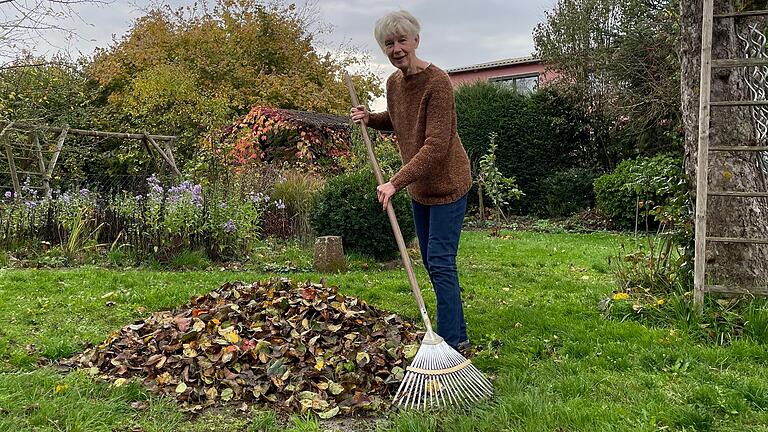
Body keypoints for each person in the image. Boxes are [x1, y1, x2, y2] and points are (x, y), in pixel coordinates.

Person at [350, 10, 473, 352]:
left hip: (448, 185)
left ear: (416, 40)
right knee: (435, 263)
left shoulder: (438, 83)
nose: (396, 48)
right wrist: (370, 118)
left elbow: (435, 146)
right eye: (389, 43)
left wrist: (394, 182)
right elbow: (399, 119)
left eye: (402, 40)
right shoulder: (393, 83)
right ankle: (457, 330)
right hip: (420, 189)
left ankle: (451, 340)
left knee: (440, 261)